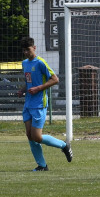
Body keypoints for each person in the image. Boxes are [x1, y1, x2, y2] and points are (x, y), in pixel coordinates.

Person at [19, 36, 72, 171]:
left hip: (39, 103)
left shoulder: (41, 62)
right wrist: (23, 90)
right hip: (28, 103)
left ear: (34, 48)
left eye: (28, 50)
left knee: (37, 136)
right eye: (24, 50)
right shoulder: (24, 63)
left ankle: (64, 145)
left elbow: (55, 79)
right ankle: (42, 165)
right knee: (29, 135)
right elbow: (29, 82)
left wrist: (38, 88)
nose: (25, 52)